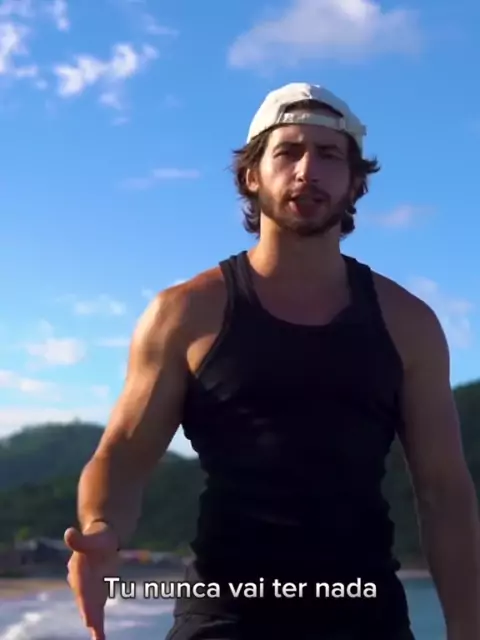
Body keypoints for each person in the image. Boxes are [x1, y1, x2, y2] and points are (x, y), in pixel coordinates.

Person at [65, 82, 480, 640]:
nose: (308, 170)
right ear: (251, 175)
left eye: (329, 154)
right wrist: (101, 529)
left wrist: (467, 625)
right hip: (224, 619)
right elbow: (124, 454)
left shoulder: (409, 323)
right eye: (287, 152)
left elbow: (444, 491)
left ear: (355, 183)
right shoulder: (186, 313)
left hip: (366, 618)